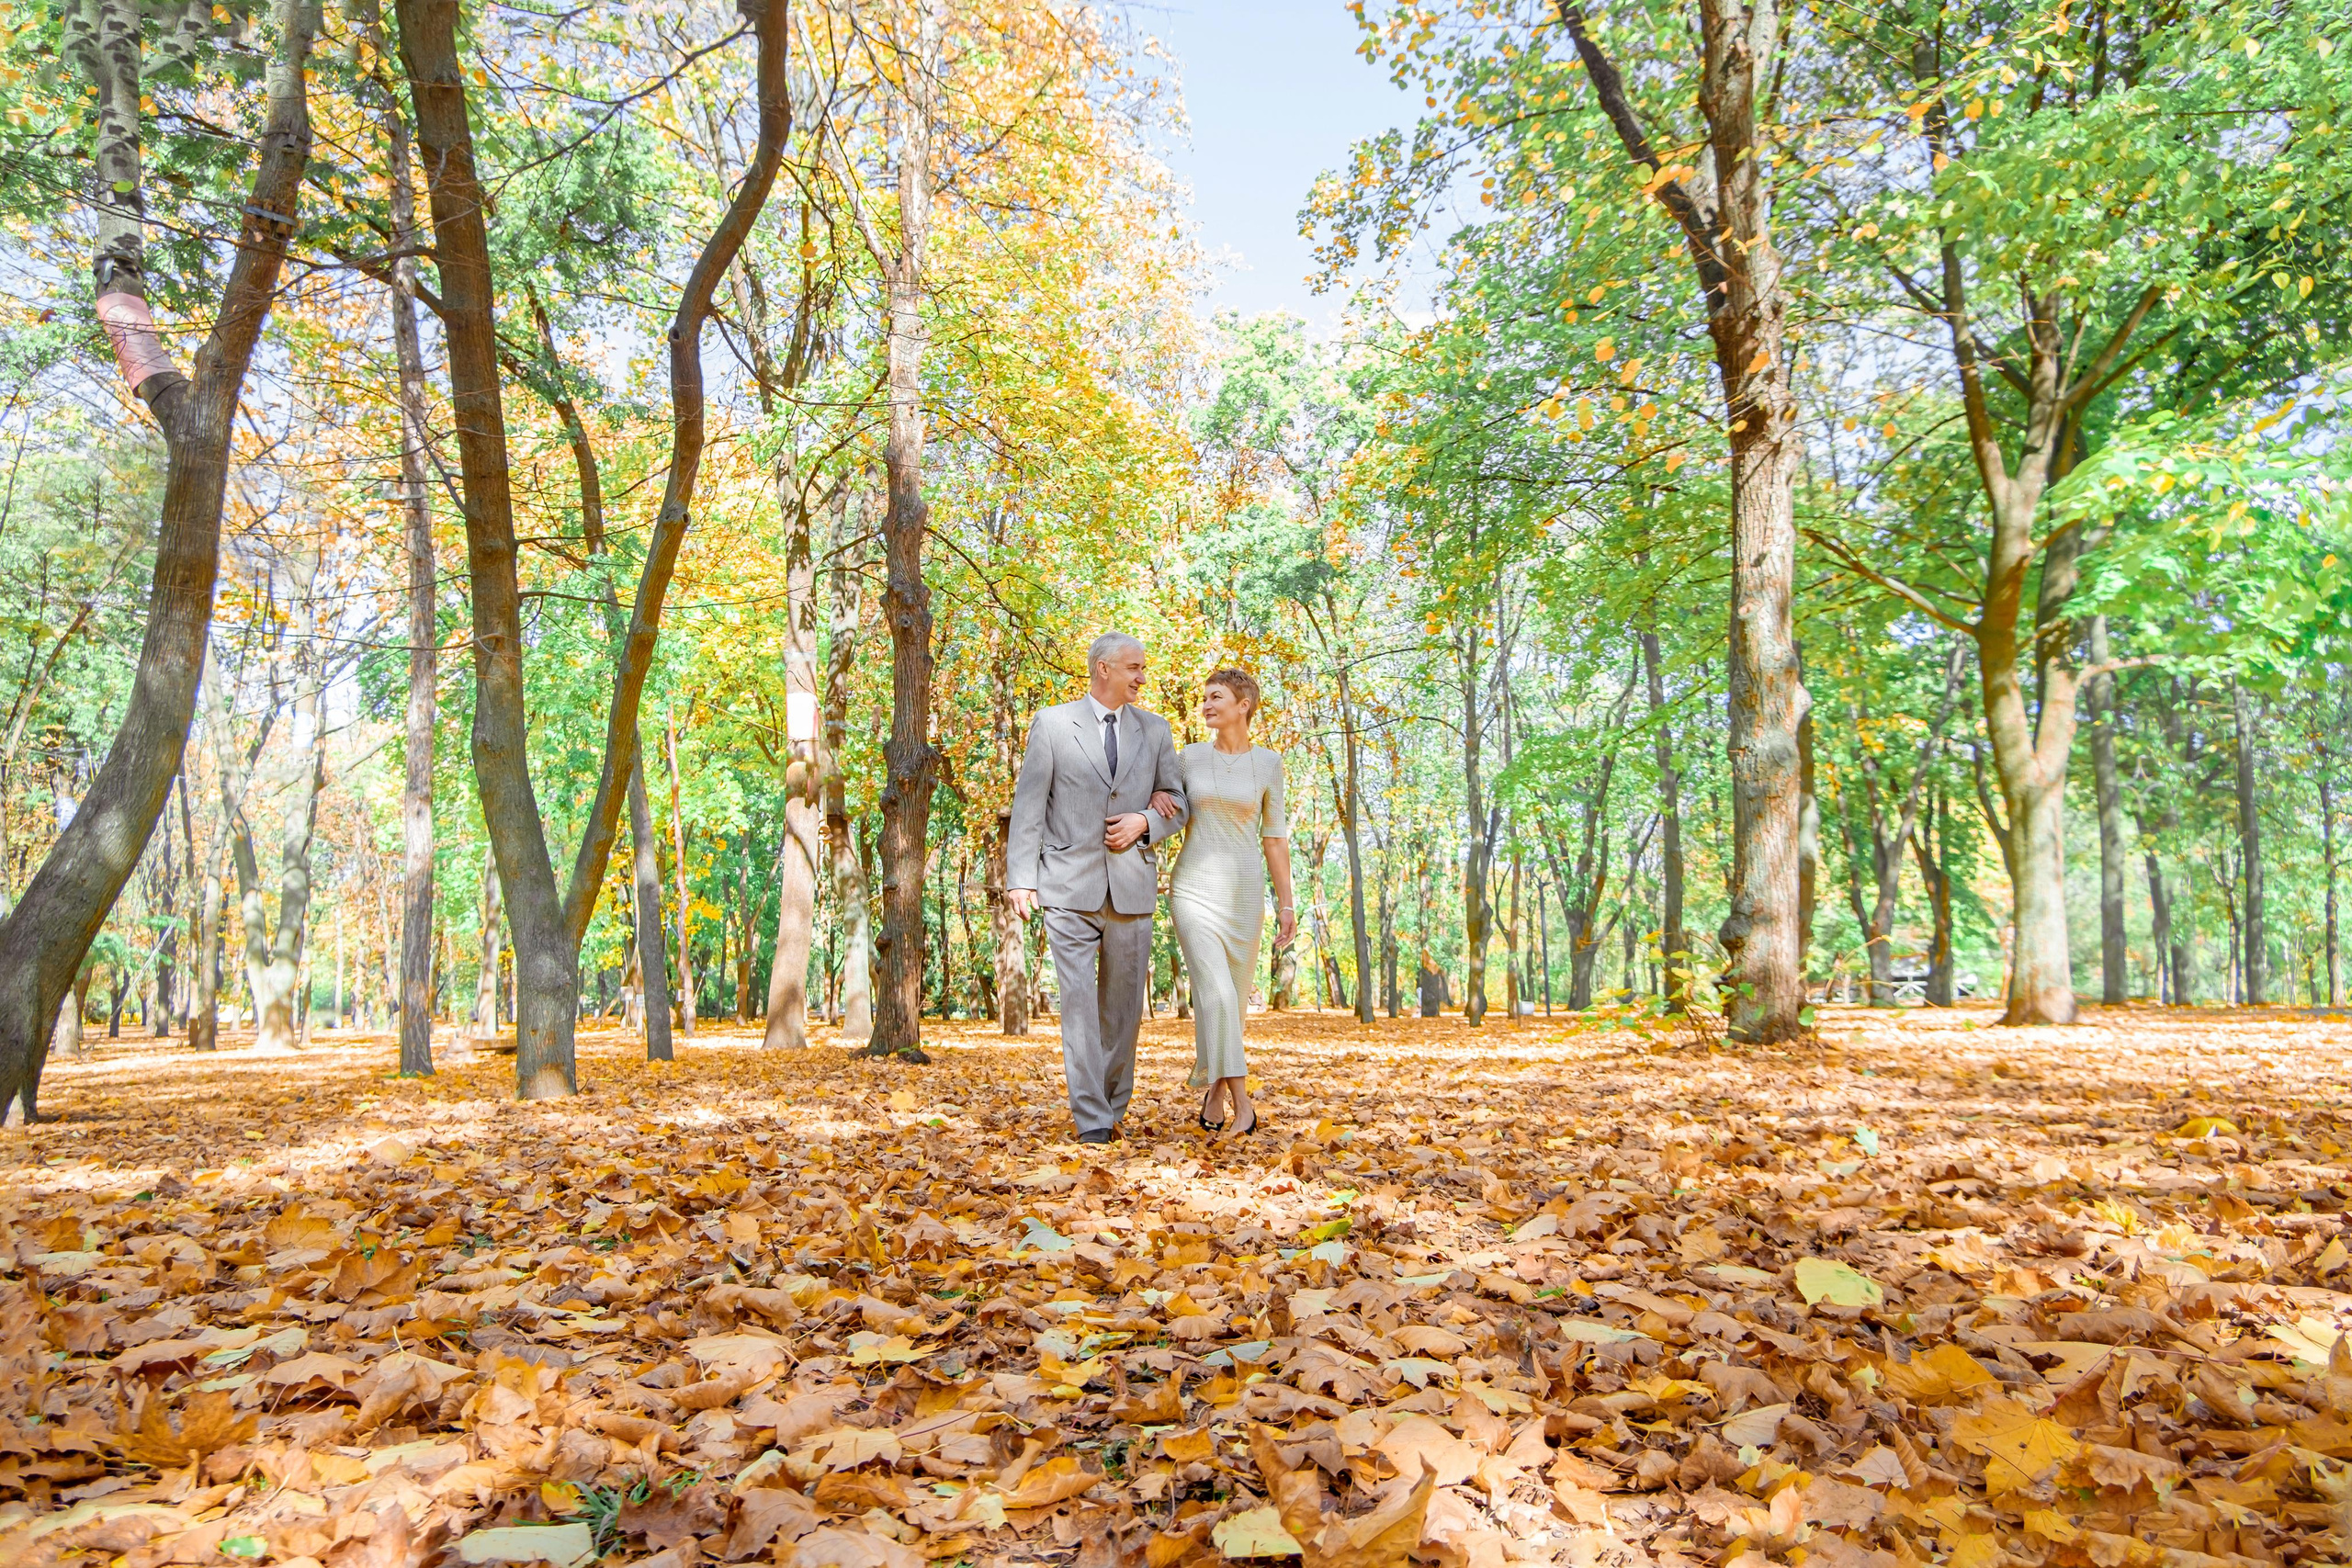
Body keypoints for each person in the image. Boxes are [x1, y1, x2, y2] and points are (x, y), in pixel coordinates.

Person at [1005, 633, 1188, 1145]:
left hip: (1132, 886)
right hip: (1067, 887)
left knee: (1123, 1013)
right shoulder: (1052, 724)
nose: (1142, 678)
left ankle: (1112, 1106)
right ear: (1103, 668)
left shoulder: (1155, 729)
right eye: (1134, 668)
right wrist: (1021, 878)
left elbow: (1178, 801)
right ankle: (1092, 1120)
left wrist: (1145, 821)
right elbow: (1029, 804)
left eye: (1143, 668)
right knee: (1079, 1007)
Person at [1170, 669, 1294, 1141]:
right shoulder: (1189, 758)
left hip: (1244, 896)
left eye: (1216, 696)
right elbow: (1167, 806)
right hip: (1193, 890)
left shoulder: (1268, 763)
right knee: (1217, 994)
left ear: (1244, 705)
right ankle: (1245, 1105)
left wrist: (1286, 905)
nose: (1206, 704)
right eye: (1204, 697)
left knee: (1230, 1004)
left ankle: (1215, 1091)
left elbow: (1274, 838)